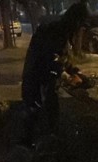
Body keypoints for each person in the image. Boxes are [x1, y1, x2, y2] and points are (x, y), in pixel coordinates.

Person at [20, 2, 89, 145]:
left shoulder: (60, 31)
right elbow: (50, 61)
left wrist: (75, 72)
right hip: (36, 79)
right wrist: (69, 77)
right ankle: (30, 151)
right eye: (81, 25)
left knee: (49, 111)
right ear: (76, 21)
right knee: (36, 112)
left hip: (43, 78)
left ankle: (45, 143)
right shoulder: (56, 32)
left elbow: (61, 58)